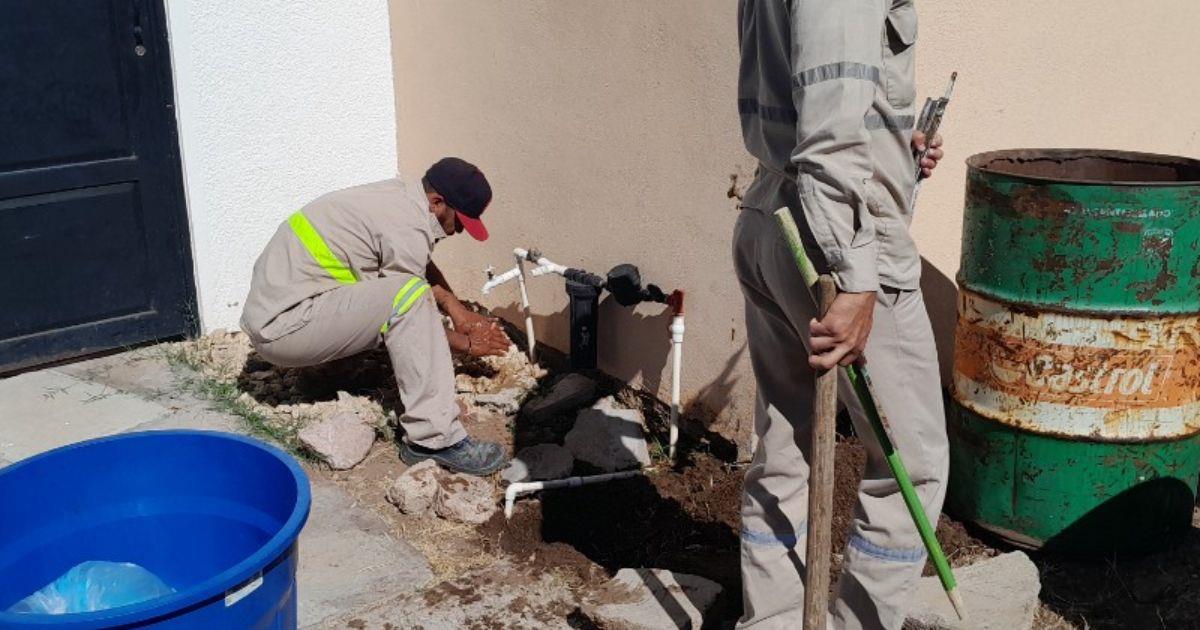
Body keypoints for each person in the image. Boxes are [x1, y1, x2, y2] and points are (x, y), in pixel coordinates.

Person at [734, 1, 947, 627]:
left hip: (772, 215)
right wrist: (856, 281)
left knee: (785, 447)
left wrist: (893, 149)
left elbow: (820, 92)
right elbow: (828, 139)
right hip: (831, 241)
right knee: (912, 464)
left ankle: (770, 620)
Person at [240, 157, 513, 476]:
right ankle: (434, 439)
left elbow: (414, 263)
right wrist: (467, 344)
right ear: (437, 202)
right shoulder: (408, 223)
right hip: (285, 329)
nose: (462, 230)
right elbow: (412, 300)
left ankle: (323, 376)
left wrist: (457, 309)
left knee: (395, 293)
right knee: (405, 299)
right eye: (462, 220)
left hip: (283, 311)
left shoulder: (403, 197)